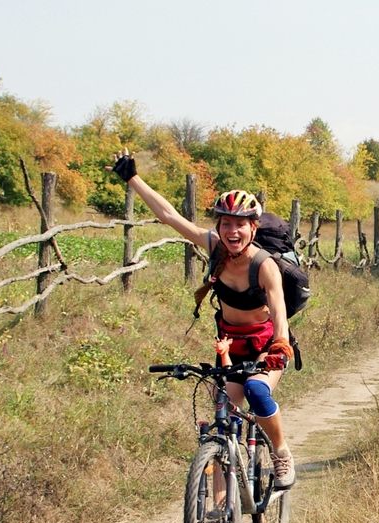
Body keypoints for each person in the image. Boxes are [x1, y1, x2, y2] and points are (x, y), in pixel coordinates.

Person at [114, 153, 296, 488]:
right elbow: (169, 216)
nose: (232, 230)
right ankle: (215, 512)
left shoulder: (265, 265)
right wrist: (132, 179)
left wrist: (279, 348)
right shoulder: (214, 247)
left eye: (240, 224)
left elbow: (280, 317)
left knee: (256, 389)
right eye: (225, 223)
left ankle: (281, 453)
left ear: (253, 228)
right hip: (230, 346)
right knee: (222, 422)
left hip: (264, 346)